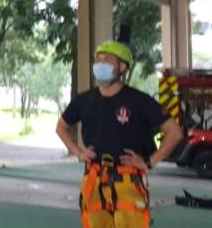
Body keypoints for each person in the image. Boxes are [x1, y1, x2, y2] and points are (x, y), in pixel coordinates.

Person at [56, 41, 183, 228]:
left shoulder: (139, 101)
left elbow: (174, 132)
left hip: (128, 180)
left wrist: (149, 162)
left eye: (107, 60)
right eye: (98, 60)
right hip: (94, 179)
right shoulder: (84, 100)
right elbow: (61, 127)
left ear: (122, 67)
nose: (100, 64)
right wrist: (78, 153)